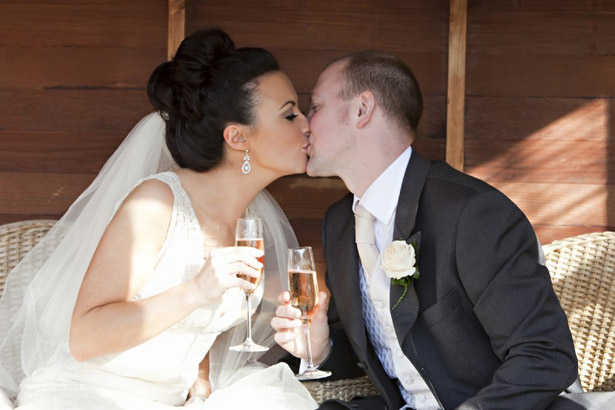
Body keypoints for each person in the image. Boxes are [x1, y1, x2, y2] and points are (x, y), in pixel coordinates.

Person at [272, 51, 615, 409]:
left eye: (316, 106)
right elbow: (377, 349)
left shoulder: (473, 212)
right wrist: (321, 345)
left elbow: (546, 355)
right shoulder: (339, 222)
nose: (307, 124)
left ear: (362, 110)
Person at [0, 29, 317, 410]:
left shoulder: (251, 222)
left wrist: (200, 387)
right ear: (236, 137)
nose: (306, 124)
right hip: (91, 394)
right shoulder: (157, 204)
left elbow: (201, 326)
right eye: (289, 114)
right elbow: (84, 337)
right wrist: (198, 288)